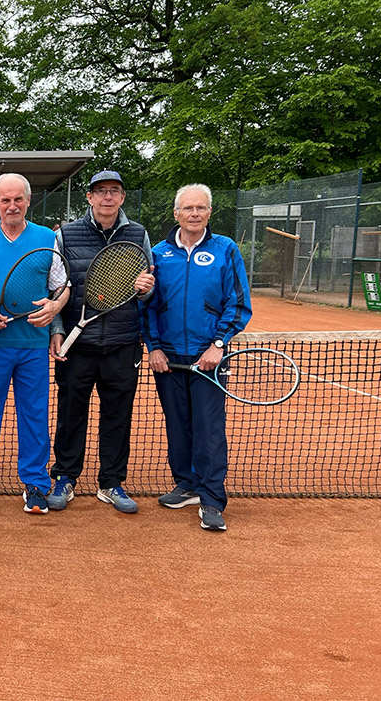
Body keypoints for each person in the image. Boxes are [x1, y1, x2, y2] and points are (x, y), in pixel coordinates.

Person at [141, 184, 252, 532]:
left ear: (209, 213)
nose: (194, 214)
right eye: (187, 208)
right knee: (178, 424)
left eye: (200, 208)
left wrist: (218, 345)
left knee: (209, 429)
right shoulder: (158, 254)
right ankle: (187, 483)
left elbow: (237, 302)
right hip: (168, 357)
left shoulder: (226, 250)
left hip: (210, 357)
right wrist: (154, 347)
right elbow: (148, 306)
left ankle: (211, 499)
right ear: (175, 214)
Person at [0, 173, 69, 515]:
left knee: (35, 415)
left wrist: (55, 309)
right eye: (5, 200)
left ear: (27, 200)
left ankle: (36, 484)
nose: (12, 206)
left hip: (33, 346)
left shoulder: (47, 238)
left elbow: (61, 287)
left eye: (18, 199)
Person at [49, 170, 155, 514]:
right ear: (90, 197)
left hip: (123, 344)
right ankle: (64, 478)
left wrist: (145, 289)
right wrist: (58, 331)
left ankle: (111, 482)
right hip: (79, 346)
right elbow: (56, 289)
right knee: (70, 416)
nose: (107, 197)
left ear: (122, 197)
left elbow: (149, 285)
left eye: (114, 191)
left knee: (118, 416)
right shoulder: (65, 234)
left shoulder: (138, 234)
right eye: (100, 191)